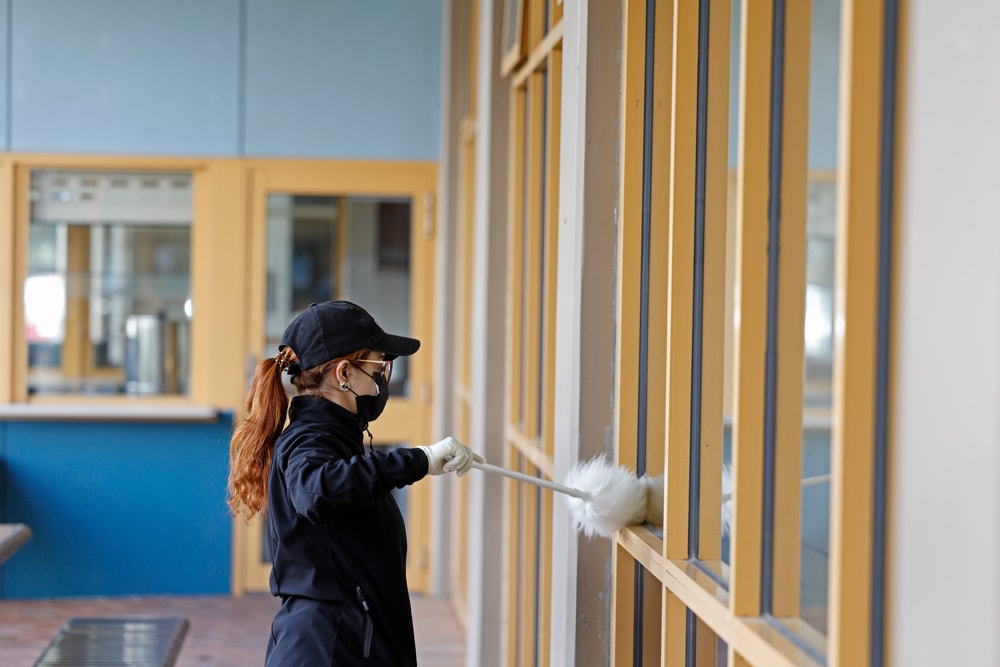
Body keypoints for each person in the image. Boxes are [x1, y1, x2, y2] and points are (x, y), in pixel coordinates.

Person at [227, 300, 483, 666]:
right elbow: (314, 490)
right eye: (380, 366)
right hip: (328, 648)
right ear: (344, 373)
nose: (384, 377)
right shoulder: (311, 439)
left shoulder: (335, 436)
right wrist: (418, 459)